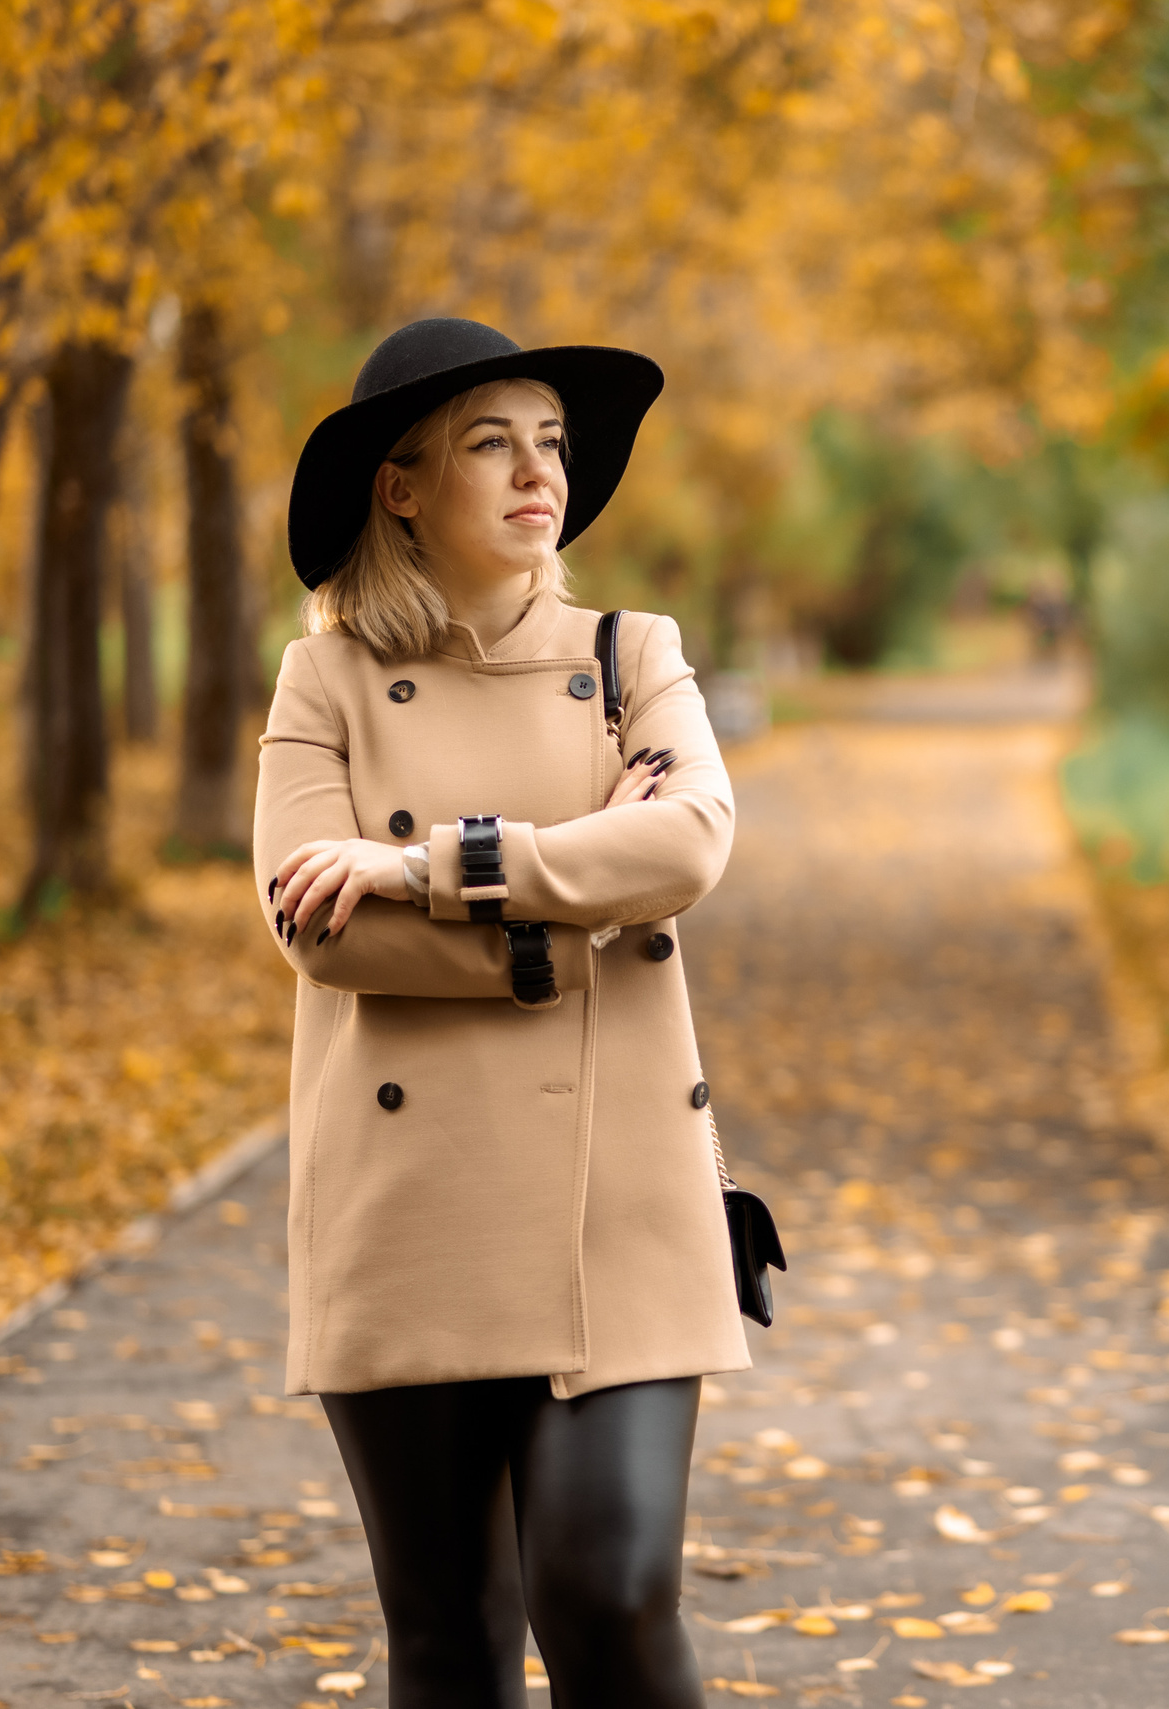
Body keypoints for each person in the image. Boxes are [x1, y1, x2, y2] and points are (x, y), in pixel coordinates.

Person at [256, 317, 744, 1707]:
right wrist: (578, 908)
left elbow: (690, 844)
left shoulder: (633, 653)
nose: (541, 474)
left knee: (609, 1593)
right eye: (492, 443)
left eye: (552, 443)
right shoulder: (325, 681)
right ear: (401, 486)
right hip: (411, 1211)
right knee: (452, 1640)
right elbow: (319, 930)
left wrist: (422, 866)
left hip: (622, 1204)